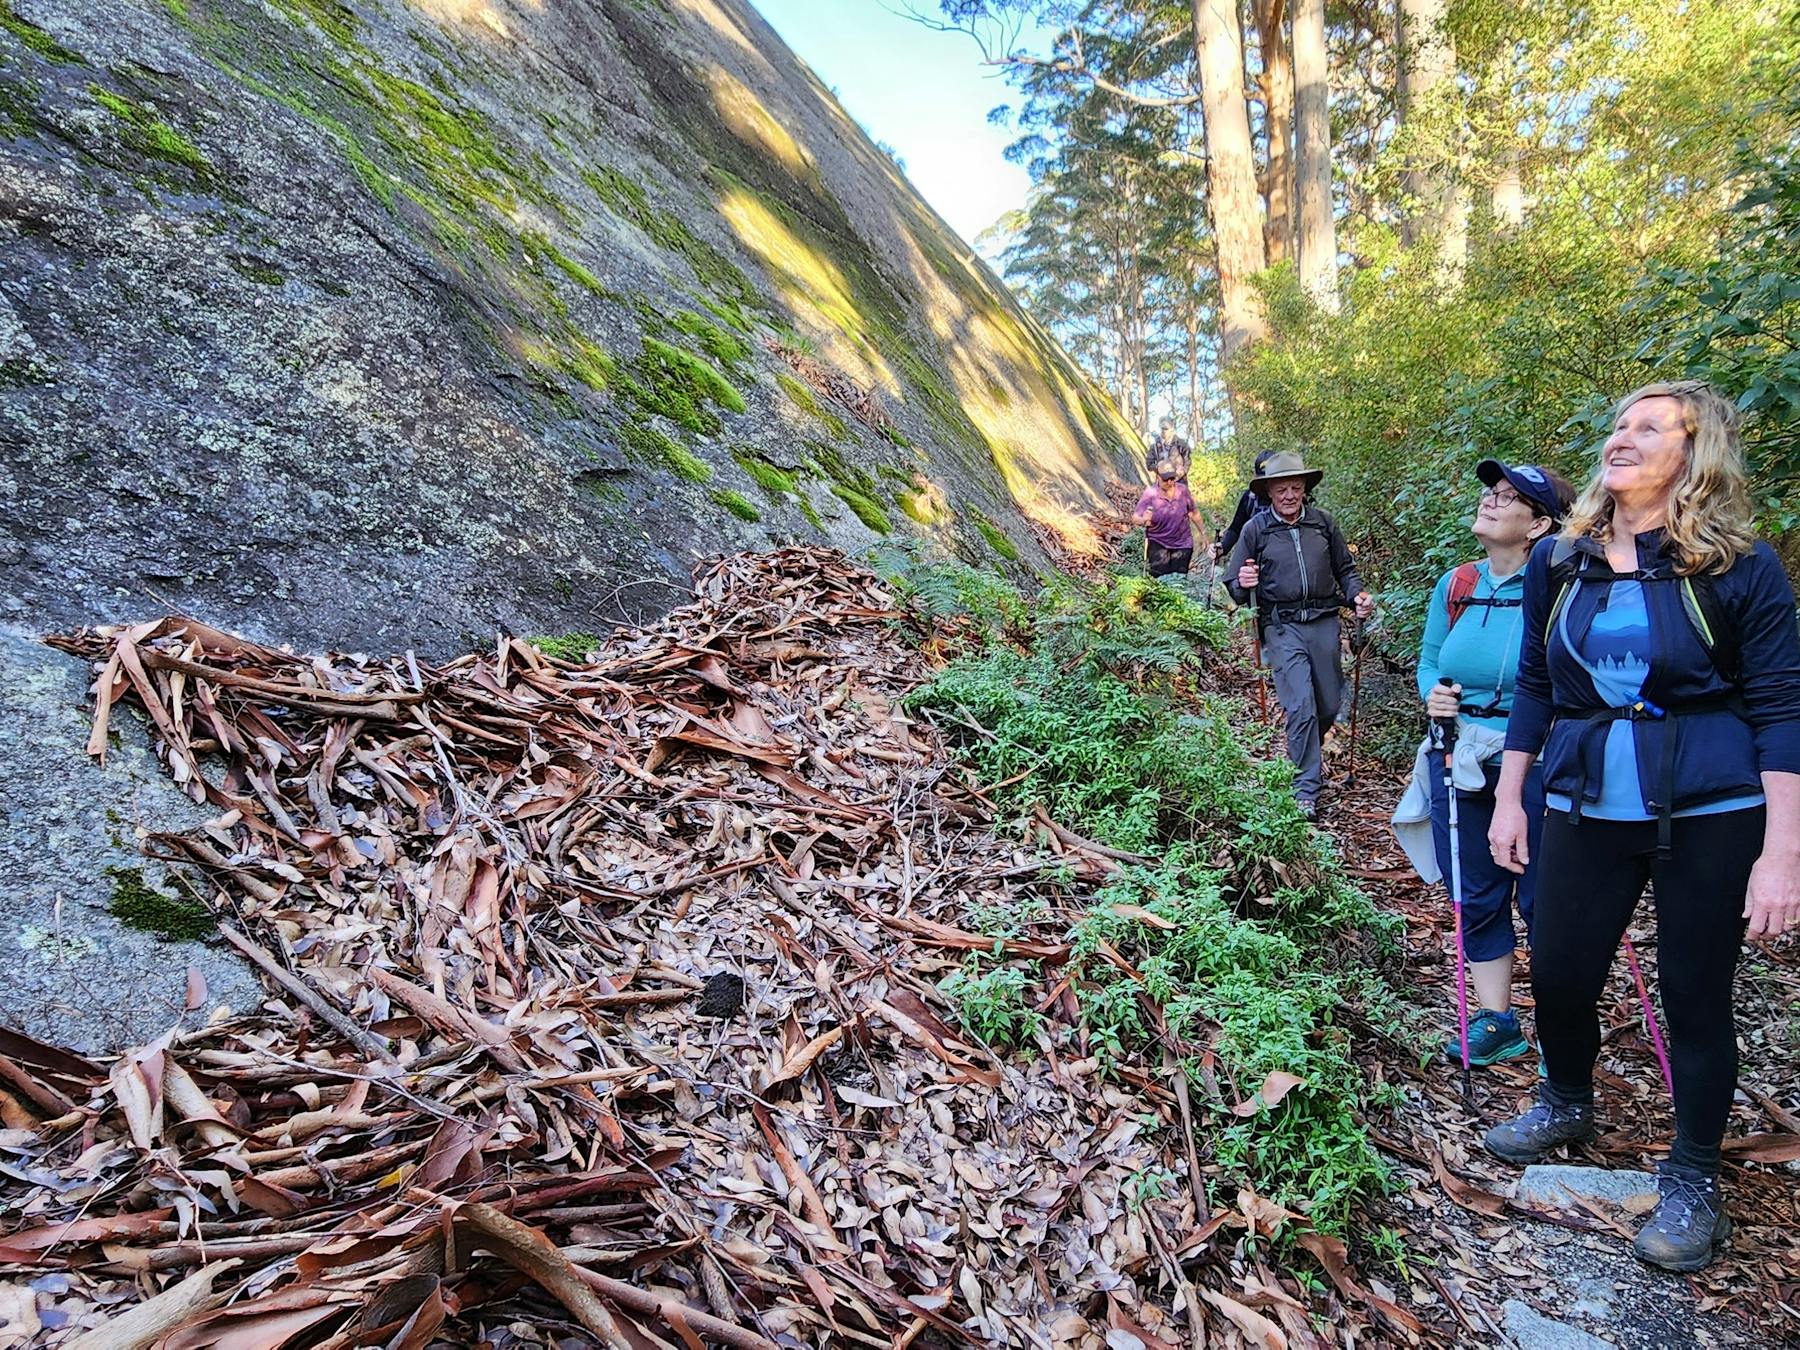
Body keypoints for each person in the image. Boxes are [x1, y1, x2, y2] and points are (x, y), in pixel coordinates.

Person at [1482, 381, 1800, 1273]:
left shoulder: (1739, 565)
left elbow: (1780, 707)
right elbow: (1540, 683)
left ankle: (1695, 1174)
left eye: (1648, 427)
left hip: (1711, 806)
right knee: (1563, 964)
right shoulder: (1563, 559)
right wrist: (1512, 796)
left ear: (1693, 454)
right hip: (1581, 795)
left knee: (1695, 990)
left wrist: (1783, 852)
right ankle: (1567, 1099)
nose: (1622, 438)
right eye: (1619, 424)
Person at [1391, 460, 1575, 1067]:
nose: (1491, 502)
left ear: (1538, 524)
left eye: (1508, 498)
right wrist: (1432, 695)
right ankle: (1499, 1020)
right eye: (1490, 493)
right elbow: (1430, 659)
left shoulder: (1564, 584)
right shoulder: (1459, 583)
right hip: (1461, 755)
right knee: (1475, 891)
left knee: (1547, 897)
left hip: (1542, 760)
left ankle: (1562, 1033)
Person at [1224, 452, 1375, 819]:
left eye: (1295, 487)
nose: (1289, 495)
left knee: (1328, 704)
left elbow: (1345, 568)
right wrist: (1243, 583)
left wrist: (1356, 595)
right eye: (1281, 489)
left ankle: (1305, 751)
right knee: (1301, 706)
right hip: (1281, 626)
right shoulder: (1256, 529)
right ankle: (1305, 788)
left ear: (1305, 488)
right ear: (1269, 492)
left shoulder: (1323, 524)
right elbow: (1234, 582)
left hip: (1324, 622)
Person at [1133, 460, 1210, 579]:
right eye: (1165, 479)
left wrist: (1204, 534)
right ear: (1157, 477)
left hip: (1183, 544)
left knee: (1179, 582)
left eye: (1172, 478)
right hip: (1158, 543)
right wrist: (1144, 519)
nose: (1169, 482)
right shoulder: (1150, 494)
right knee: (1160, 582)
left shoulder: (1183, 491)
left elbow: (1193, 513)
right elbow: (1135, 518)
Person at [1215, 450, 1275, 562]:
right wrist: (1222, 548)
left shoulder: (1290, 500)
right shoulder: (1250, 498)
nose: (1266, 484)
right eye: (1263, 480)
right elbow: (1236, 528)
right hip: (1255, 560)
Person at [1146, 417, 1191, 482]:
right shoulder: (1154, 447)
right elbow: (1149, 464)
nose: (1163, 431)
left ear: (1172, 429)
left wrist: (1182, 472)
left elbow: (1187, 461)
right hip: (1162, 483)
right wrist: (1158, 467)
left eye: (1166, 429)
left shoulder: (1181, 444)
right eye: (1161, 428)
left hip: (1179, 482)